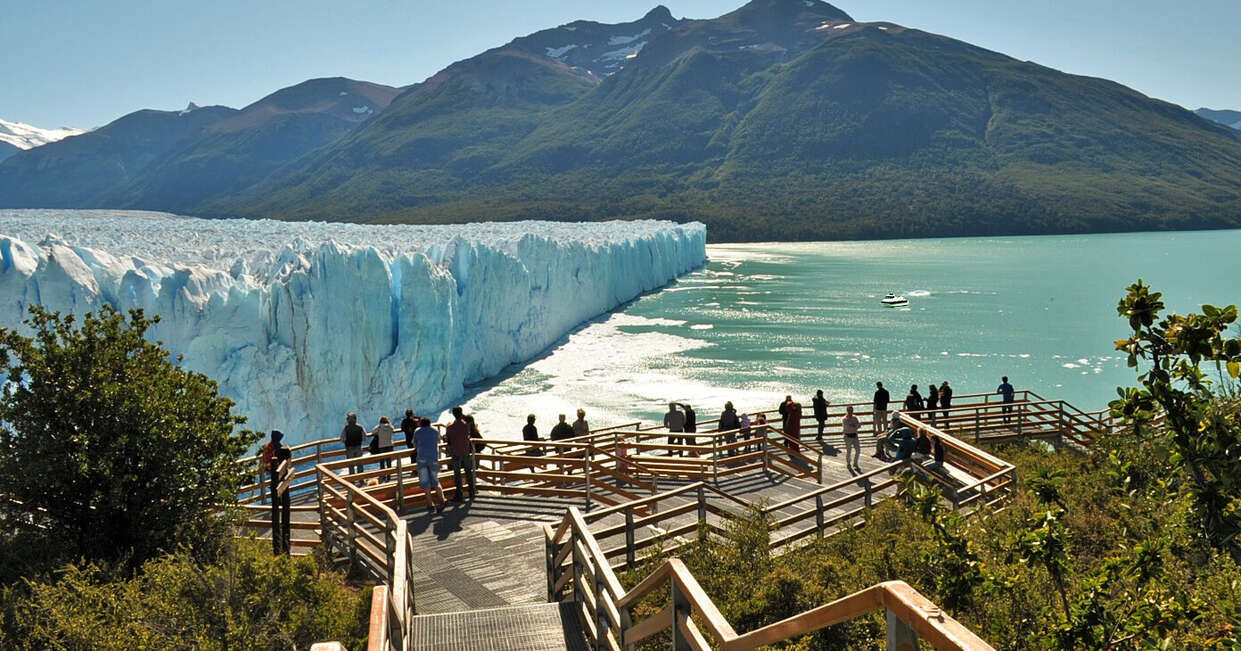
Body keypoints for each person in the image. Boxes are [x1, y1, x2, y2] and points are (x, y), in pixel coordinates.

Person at [265, 430, 292, 555]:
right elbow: (267, 458)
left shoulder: (270, 446)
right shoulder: (271, 447)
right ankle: (279, 500)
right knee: (278, 486)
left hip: (277, 469)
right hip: (274, 469)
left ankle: (279, 500)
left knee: (278, 486)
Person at [413, 417, 447, 515]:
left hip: (422, 458)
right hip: (433, 458)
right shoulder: (435, 430)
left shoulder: (417, 431)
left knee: (425, 482)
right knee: (435, 480)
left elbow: (415, 445)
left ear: (421, 423)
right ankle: (442, 500)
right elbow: (438, 442)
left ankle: (430, 504)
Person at [444, 407, 476, 501]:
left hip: (455, 452)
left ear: (453, 414)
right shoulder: (466, 426)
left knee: (457, 474)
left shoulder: (450, 427)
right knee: (468, 471)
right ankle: (472, 491)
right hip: (465, 451)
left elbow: (448, 440)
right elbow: (467, 436)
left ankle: (459, 494)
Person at [841, 406, 861, 471]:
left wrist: (854, 426)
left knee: (858, 450)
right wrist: (855, 426)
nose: (851, 412)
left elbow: (859, 425)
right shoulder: (844, 419)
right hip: (847, 436)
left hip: (855, 436)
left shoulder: (855, 418)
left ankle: (855, 463)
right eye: (849, 411)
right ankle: (848, 462)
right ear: (847, 411)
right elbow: (847, 427)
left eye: (852, 411)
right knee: (849, 451)